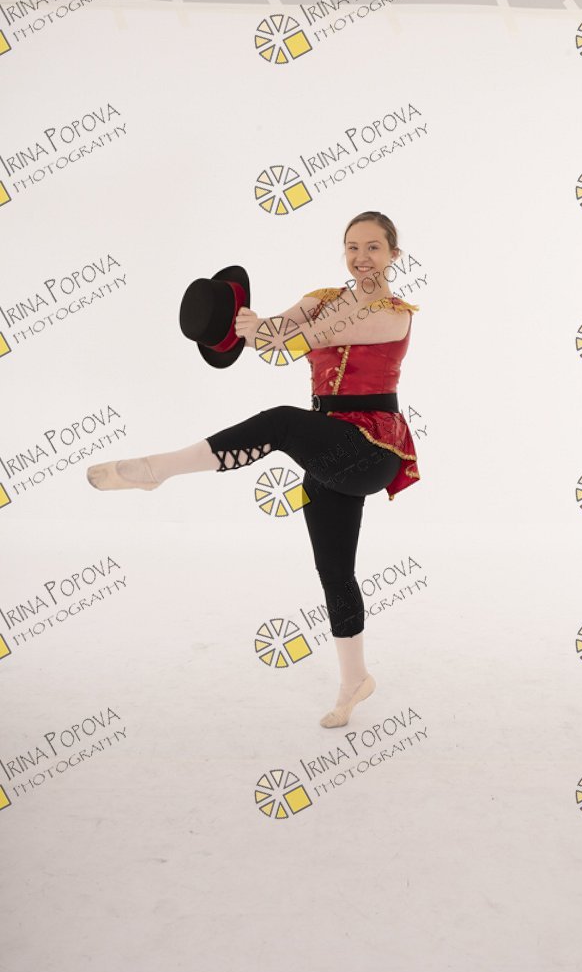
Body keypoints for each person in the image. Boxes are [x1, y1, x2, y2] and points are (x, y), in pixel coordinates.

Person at [86, 211, 421, 729]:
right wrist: (240, 326)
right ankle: (355, 680)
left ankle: (161, 468)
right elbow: (271, 338)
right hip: (326, 443)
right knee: (334, 571)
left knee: (282, 422)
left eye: (374, 247)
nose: (361, 257)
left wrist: (267, 331)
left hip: (370, 450)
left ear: (394, 255)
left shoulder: (395, 315)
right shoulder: (320, 299)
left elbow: (305, 338)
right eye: (352, 247)